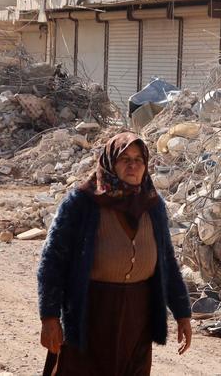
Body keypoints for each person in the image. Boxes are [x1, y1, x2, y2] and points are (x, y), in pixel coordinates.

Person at [38, 132, 192, 376]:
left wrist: (183, 314)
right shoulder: (82, 202)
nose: (132, 165)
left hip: (137, 316)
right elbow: (52, 262)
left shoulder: (152, 204)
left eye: (138, 160)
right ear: (110, 162)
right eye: (124, 159)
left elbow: (167, 262)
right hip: (91, 312)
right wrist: (49, 317)